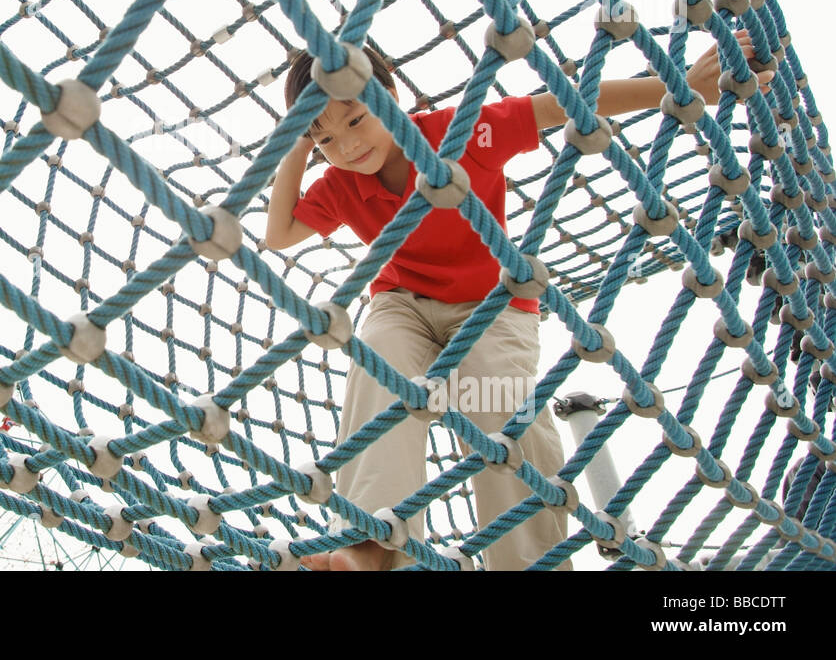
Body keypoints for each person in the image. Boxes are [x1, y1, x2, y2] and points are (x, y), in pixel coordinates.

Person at [265, 32, 773, 571]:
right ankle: (368, 549)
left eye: (355, 120)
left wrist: (679, 88)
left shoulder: (460, 134)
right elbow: (280, 233)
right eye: (325, 140)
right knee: (379, 375)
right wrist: (297, 146)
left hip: (493, 306)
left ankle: (528, 563)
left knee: (502, 414)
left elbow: (567, 105)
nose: (346, 147)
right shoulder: (340, 182)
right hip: (403, 306)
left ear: (391, 97)